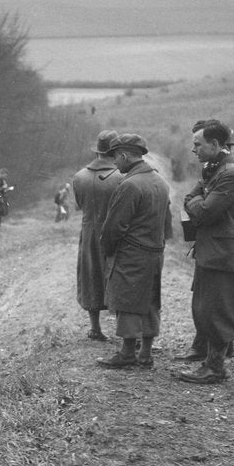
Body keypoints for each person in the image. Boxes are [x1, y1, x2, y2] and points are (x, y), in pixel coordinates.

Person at [174, 121, 234, 384]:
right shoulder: (215, 169)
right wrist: (196, 200)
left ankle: (215, 368)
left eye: (198, 144)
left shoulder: (232, 174)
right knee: (206, 308)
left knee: (219, 310)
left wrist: (195, 201)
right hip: (214, 251)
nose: (194, 149)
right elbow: (193, 199)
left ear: (215, 145)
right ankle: (210, 363)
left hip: (225, 254)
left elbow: (204, 212)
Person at [95, 133, 171, 369]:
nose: (115, 164)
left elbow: (114, 226)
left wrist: (107, 249)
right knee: (150, 300)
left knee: (127, 300)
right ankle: (145, 354)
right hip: (155, 252)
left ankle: (127, 353)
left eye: (116, 158)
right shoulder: (160, 182)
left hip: (131, 253)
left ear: (125, 155)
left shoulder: (129, 185)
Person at [71, 130, 123, 341]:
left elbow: (79, 205)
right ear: (115, 151)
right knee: (117, 275)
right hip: (115, 232)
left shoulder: (79, 176)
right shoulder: (121, 177)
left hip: (89, 230)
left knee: (90, 273)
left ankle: (95, 327)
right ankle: (123, 329)